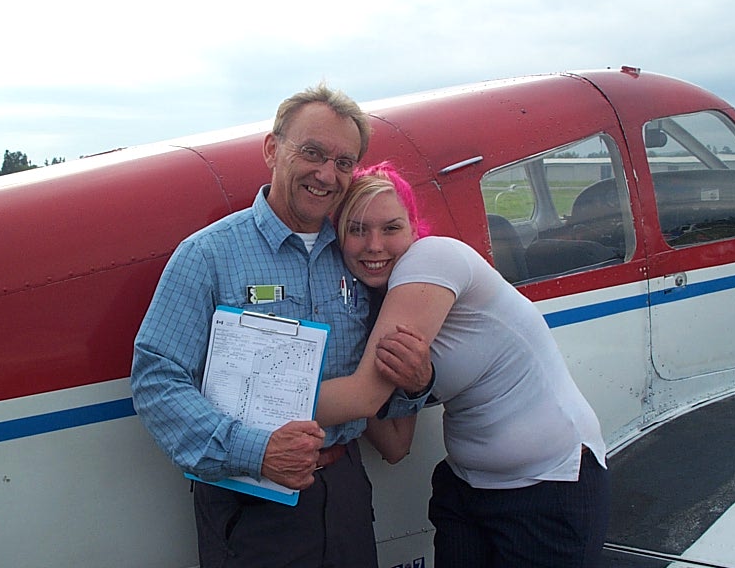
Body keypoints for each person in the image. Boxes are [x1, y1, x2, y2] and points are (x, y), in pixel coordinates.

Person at [131, 86, 432, 568]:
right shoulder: (208, 256)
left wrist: (416, 385)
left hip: (345, 492)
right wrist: (257, 451)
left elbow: (378, 378)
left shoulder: (358, 256)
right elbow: (157, 379)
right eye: (311, 153)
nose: (326, 174)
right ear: (272, 149)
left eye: (343, 162)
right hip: (249, 502)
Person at [316, 161, 611, 567]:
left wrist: (253, 408)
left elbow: (365, 399)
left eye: (391, 228)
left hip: (549, 487)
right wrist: (355, 362)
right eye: (357, 230)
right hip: (467, 488)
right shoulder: (377, 305)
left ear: (414, 229)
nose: (374, 245)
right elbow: (395, 443)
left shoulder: (432, 257)